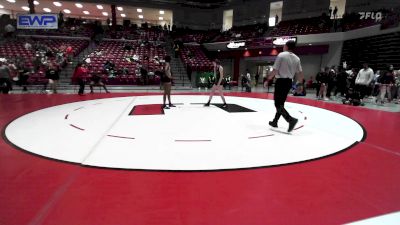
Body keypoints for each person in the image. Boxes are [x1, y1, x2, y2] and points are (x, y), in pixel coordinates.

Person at [264, 40, 303, 132]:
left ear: (286, 46)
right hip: (289, 82)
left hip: (280, 81)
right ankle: (275, 121)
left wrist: (268, 80)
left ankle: (291, 120)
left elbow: (275, 70)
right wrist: (300, 85)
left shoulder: (281, 55)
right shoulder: (297, 58)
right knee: (281, 103)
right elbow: (300, 73)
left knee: (277, 104)